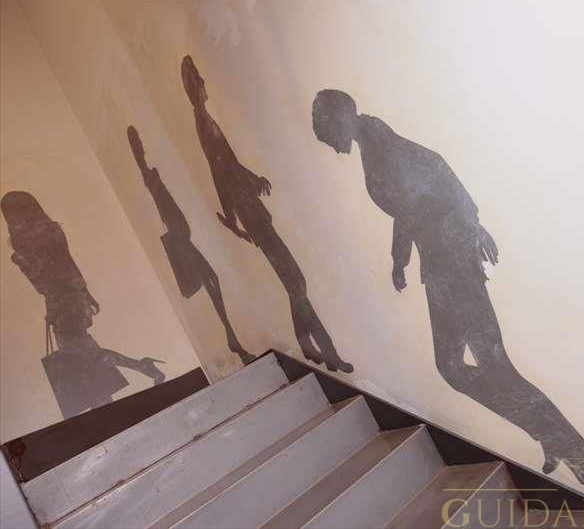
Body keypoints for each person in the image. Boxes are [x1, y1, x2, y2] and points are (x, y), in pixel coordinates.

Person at [312, 90, 584, 505]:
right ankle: (556, 441)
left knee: (488, 367)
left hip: (451, 262)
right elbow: (427, 187)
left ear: (342, 117)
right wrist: (409, 255)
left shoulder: (384, 149)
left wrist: (460, 233)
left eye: (327, 132)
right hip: (443, 260)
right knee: (459, 367)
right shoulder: (376, 142)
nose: (330, 144)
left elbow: (427, 193)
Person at [181, 55, 352, 373]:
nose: (204, 84)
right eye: (199, 80)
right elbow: (221, 168)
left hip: (249, 209)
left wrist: (247, 189)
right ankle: (325, 351)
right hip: (249, 211)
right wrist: (236, 210)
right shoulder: (203, 120)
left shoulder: (204, 119)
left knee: (294, 284)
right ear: (195, 87)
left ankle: (315, 348)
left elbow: (225, 165)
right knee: (296, 282)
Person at [1, 191, 165, 418]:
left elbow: (50, 279)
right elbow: (69, 266)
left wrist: (55, 303)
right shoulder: (52, 231)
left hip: (63, 303)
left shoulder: (25, 245)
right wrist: (84, 294)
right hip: (70, 299)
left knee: (82, 359)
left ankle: (137, 374)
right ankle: (134, 377)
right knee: (85, 359)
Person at [127, 125, 256, 365]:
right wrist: (138, 153)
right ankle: (233, 340)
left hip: (183, 240)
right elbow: (142, 164)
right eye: (139, 145)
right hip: (181, 243)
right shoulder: (149, 177)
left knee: (213, 281)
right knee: (212, 281)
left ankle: (233, 339)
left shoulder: (152, 177)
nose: (142, 146)